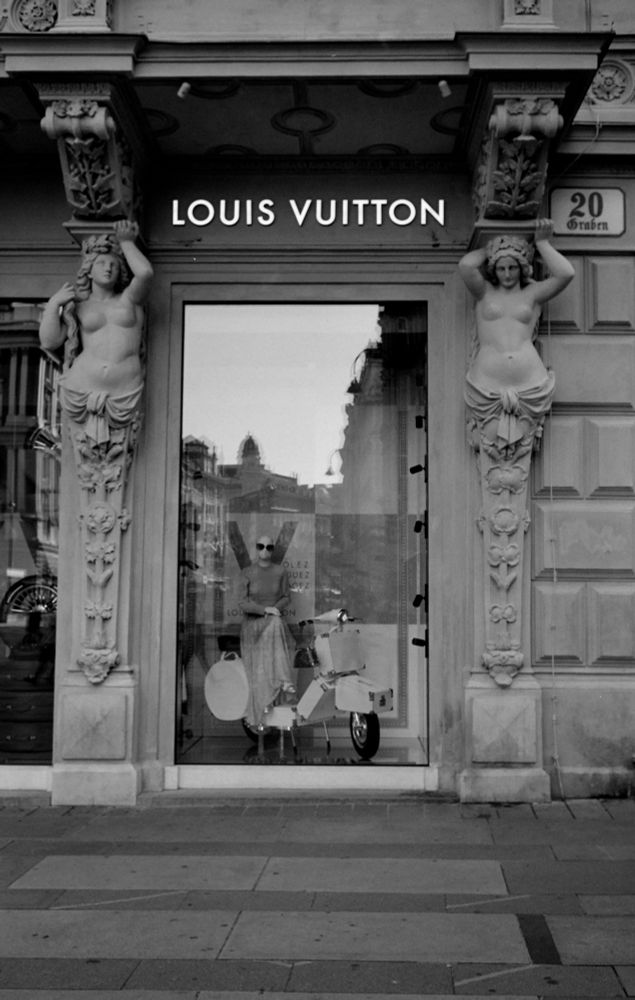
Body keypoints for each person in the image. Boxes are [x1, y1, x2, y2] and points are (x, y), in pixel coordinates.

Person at [459, 218, 574, 448]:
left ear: (521, 268)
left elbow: (566, 273)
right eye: (501, 268)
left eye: (512, 267)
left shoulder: (532, 294)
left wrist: (542, 244)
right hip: (487, 383)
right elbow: (466, 266)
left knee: (521, 448)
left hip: (529, 381)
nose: (507, 274)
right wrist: (495, 247)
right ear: (494, 269)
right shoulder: (484, 292)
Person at [39, 220, 153, 445]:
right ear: (88, 270)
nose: (108, 268)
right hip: (82, 387)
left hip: (123, 391)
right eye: (101, 263)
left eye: (114, 265)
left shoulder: (129, 300)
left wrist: (126, 242)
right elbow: (50, 341)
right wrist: (53, 305)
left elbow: (145, 274)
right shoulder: (79, 307)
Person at [239, 534, 296, 730]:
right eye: (261, 546)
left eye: (269, 547)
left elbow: (287, 597)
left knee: (276, 623)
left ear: (273, 550)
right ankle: (285, 680)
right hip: (253, 625)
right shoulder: (247, 572)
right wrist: (265, 610)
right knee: (276, 624)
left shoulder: (280, 572)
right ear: (256, 548)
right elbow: (242, 603)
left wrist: (275, 610)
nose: (265, 550)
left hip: (273, 621)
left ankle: (282, 682)